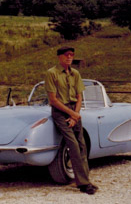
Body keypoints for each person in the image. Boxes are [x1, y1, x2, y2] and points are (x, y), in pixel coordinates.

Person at [44, 46, 98, 195]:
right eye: (66, 55)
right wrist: (71, 114)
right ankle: (83, 184)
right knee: (73, 145)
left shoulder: (75, 73)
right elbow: (53, 100)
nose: (69, 58)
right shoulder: (51, 73)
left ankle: (86, 180)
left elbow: (79, 97)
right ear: (59, 57)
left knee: (81, 145)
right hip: (61, 112)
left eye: (71, 55)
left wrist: (75, 114)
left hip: (74, 111)